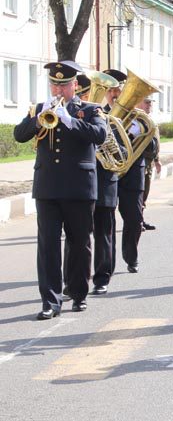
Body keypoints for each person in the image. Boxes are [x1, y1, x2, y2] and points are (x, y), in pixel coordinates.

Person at [13, 61, 106, 319]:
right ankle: (50, 301)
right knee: (48, 246)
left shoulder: (89, 110)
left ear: (74, 85)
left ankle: (78, 294)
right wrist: (38, 119)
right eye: (55, 84)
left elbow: (100, 135)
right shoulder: (40, 109)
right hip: (47, 188)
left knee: (79, 242)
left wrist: (68, 120)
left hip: (79, 187)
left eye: (64, 85)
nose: (58, 89)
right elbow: (19, 134)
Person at [106, 69, 151, 275]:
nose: (115, 93)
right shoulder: (97, 113)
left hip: (132, 174)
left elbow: (152, 149)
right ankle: (106, 264)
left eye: (118, 89)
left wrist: (139, 133)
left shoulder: (139, 117)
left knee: (134, 219)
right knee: (105, 223)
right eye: (110, 90)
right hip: (106, 175)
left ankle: (131, 256)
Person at [89, 75, 125, 295]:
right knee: (79, 235)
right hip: (82, 181)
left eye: (114, 90)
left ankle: (102, 276)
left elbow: (122, 152)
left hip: (104, 181)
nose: (111, 94)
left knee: (103, 231)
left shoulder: (115, 119)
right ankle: (74, 279)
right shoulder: (85, 114)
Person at [138, 97, 161, 231]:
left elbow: (156, 142)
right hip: (141, 161)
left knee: (145, 192)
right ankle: (137, 221)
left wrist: (157, 160)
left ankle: (141, 219)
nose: (149, 105)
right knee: (139, 193)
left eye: (151, 103)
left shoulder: (150, 120)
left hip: (149, 162)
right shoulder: (137, 120)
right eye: (146, 102)